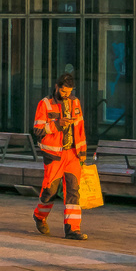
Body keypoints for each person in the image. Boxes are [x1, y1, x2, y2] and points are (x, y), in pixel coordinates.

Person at [32, 73, 89, 240]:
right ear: (57, 87)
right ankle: (39, 216)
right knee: (50, 190)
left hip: (73, 154)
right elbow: (37, 130)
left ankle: (73, 229)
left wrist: (82, 154)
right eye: (64, 91)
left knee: (73, 191)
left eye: (69, 91)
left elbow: (80, 129)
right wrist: (57, 125)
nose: (66, 94)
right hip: (53, 154)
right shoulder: (45, 104)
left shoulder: (75, 102)